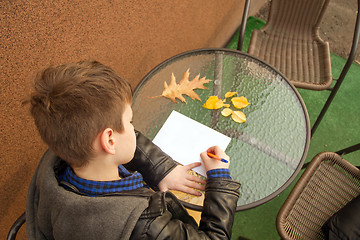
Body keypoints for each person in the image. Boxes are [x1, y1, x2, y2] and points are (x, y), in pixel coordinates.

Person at [25, 60, 240, 239]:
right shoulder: (144, 226)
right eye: (130, 122)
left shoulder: (60, 158)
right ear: (109, 140)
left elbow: (121, 141)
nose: (133, 128)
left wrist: (163, 169)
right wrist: (219, 178)